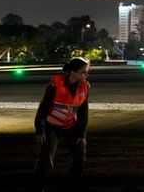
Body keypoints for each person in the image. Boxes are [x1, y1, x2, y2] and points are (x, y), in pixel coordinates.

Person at [33, 57, 91, 192]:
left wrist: (82, 135)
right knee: (45, 160)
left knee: (79, 155)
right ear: (73, 72)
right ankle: (38, 186)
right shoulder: (56, 83)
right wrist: (39, 129)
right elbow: (43, 107)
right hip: (51, 126)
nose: (86, 75)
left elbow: (83, 111)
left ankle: (73, 185)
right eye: (83, 72)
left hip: (70, 125)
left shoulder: (85, 86)